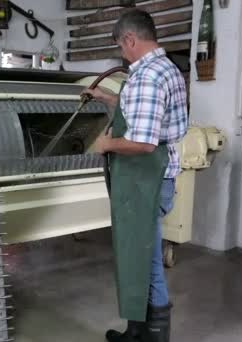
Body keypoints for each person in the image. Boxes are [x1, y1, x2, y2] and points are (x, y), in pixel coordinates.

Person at [81, 9, 188, 342]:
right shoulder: (165, 69)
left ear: (130, 39)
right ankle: (138, 331)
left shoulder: (146, 76)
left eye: (121, 47)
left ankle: (153, 335)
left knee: (147, 260)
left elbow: (142, 142)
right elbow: (139, 108)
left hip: (147, 179)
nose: (122, 55)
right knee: (141, 255)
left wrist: (104, 143)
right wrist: (107, 98)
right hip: (157, 177)